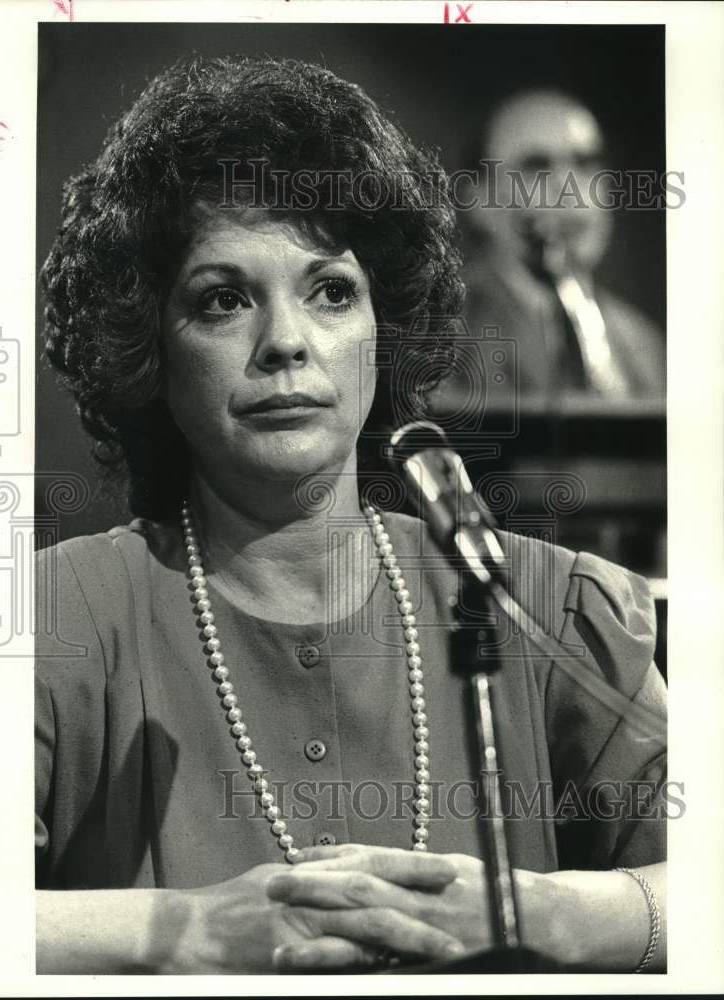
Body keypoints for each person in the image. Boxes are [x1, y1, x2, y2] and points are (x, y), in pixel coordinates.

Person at [35, 56, 667, 975]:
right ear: (150, 351)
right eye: (222, 300)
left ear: (384, 328)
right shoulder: (59, 618)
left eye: (331, 290)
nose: (286, 342)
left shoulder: (541, 605)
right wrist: (182, 931)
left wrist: (537, 912)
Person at [448, 88, 666, 407]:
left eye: (585, 163)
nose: (569, 188)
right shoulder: (441, 335)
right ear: (476, 198)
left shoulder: (643, 344)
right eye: (536, 167)